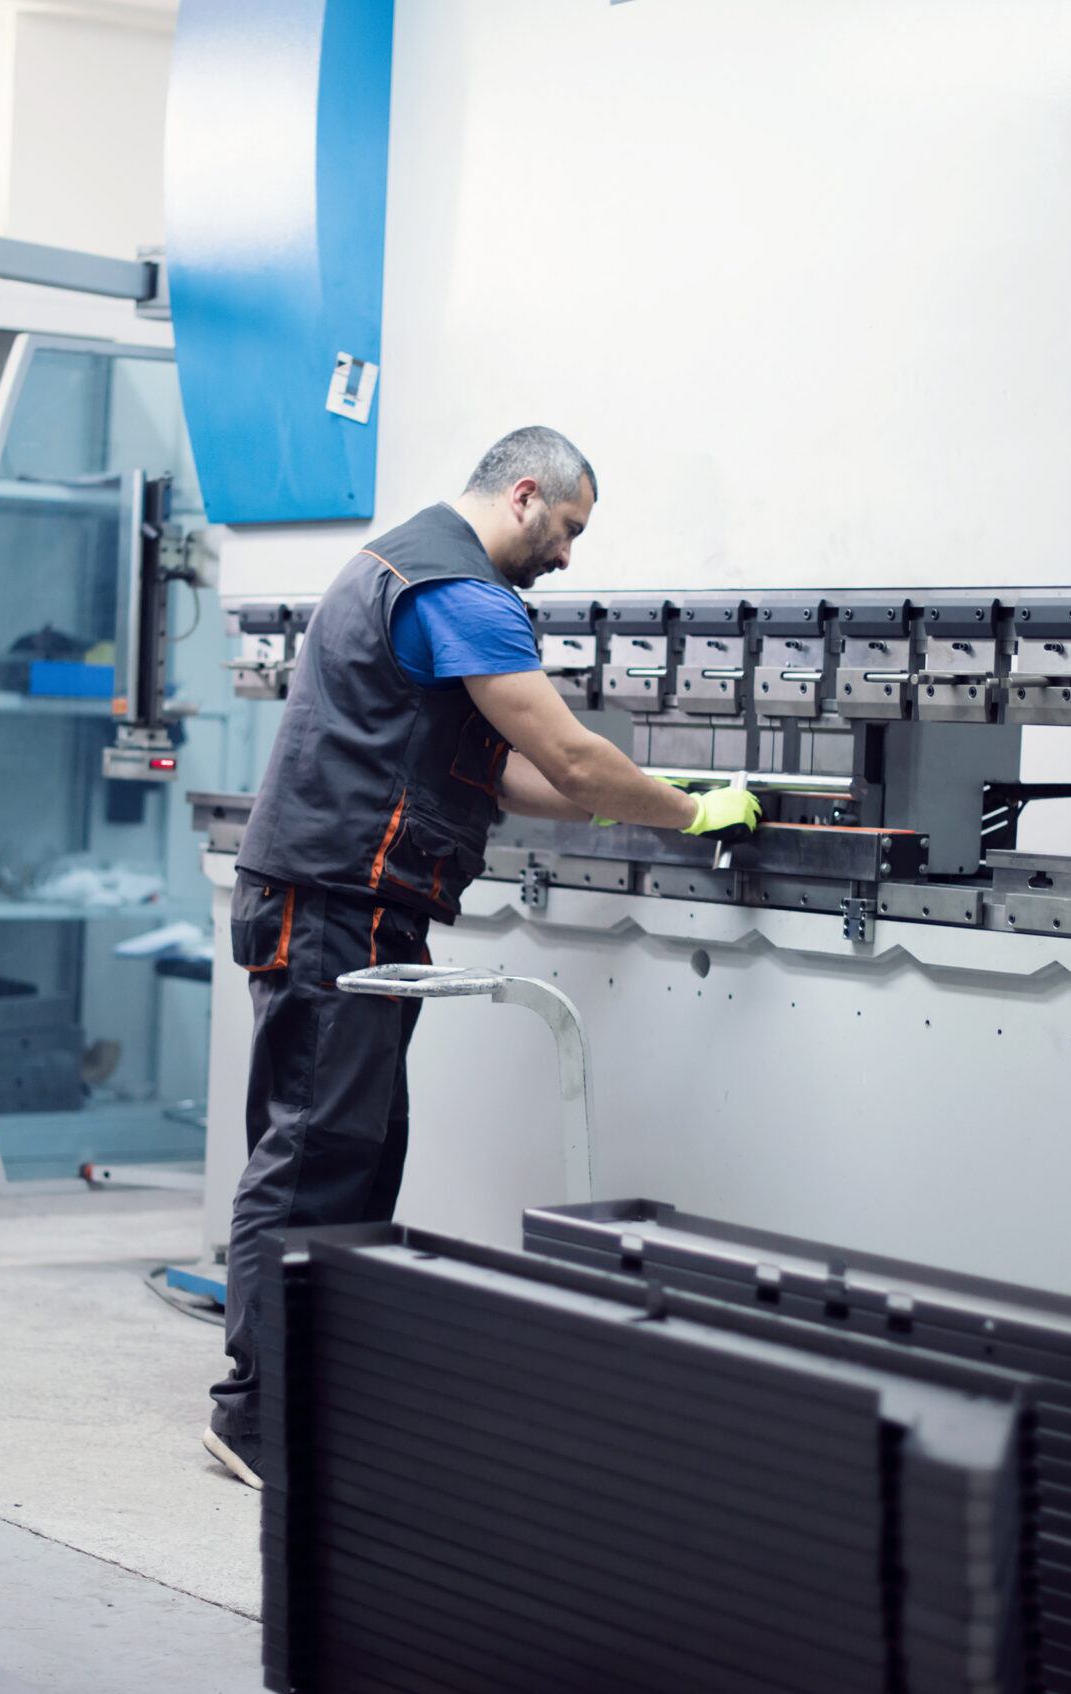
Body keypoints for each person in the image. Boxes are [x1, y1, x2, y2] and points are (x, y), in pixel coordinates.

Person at [202, 426, 760, 1487]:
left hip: (349, 903)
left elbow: (507, 772)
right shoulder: (456, 587)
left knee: (358, 1155)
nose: (568, 555)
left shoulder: (410, 569)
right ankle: (256, 1416)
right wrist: (689, 811)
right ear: (523, 494)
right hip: (336, 904)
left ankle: (313, 1398)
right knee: (315, 1156)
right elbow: (571, 754)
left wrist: (626, 804)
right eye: (568, 528)